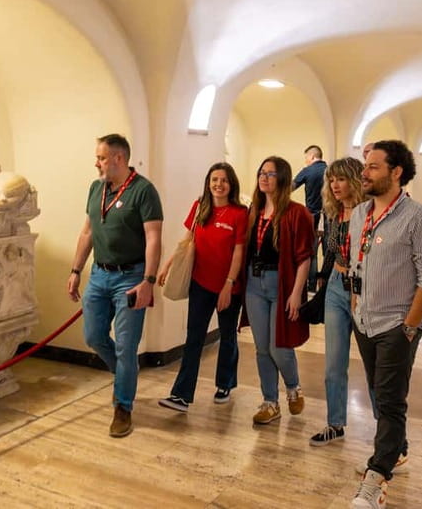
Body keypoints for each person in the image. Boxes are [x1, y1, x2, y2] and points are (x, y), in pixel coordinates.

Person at [349, 140, 422, 509]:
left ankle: (377, 478)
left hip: (396, 325)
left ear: (396, 171)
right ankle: (397, 450)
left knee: (389, 402)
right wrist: (356, 306)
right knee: (378, 392)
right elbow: (359, 263)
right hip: (365, 321)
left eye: (373, 166)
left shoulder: (419, 218)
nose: (364, 173)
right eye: (365, 166)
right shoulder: (359, 214)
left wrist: (409, 326)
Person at [67, 133, 163, 438]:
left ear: (118, 159)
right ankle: (125, 373)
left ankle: (123, 406)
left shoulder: (144, 191)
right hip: (99, 275)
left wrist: (148, 281)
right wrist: (75, 270)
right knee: (93, 336)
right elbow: (87, 232)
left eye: (101, 157)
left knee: (125, 346)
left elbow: (153, 238)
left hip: (131, 277)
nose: (97, 163)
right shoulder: (97, 189)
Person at [156, 162, 248, 412]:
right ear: (208, 182)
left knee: (227, 336)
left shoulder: (240, 213)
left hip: (229, 287)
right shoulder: (200, 207)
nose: (219, 184)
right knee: (194, 337)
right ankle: (182, 395)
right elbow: (187, 241)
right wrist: (168, 265)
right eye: (215, 179)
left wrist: (228, 285)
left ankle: (225, 383)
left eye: (224, 180)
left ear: (232, 184)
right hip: (200, 283)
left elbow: (239, 253)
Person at [243, 156, 314, 424]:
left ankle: (293, 387)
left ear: (282, 178)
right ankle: (269, 402)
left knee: (279, 346)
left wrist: (297, 293)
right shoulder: (254, 211)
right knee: (262, 348)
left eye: (271, 174)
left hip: (281, 285)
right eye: (262, 172)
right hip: (254, 284)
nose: (264, 177)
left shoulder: (297, 213)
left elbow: (304, 257)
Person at [308, 157, 365, 446]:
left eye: (341, 179)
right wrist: (321, 277)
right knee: (333, 362)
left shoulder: (369, 213)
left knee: (374, 364)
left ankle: (389, 435)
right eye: (332, 180)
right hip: (334, 287)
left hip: (364, 290)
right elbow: (330, 249)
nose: (335, 185)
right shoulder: (332, 212)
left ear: (354, 180)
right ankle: (335, 423)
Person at [293, 145, 328, 291]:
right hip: (329, 217)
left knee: (311, 253)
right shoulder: (330, 170)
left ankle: (311, 285)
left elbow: (290, 187)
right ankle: (325, 285)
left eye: (306, 158)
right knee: (328, 252)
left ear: (312, 156)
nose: (306, 161)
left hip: (312, 217)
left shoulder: (307, 171)